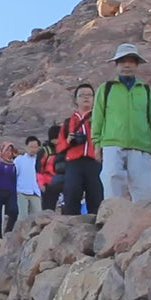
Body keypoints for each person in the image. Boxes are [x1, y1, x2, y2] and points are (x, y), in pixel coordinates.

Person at [92, 44, 151, 202]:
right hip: (112, 144)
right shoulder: (105, 89)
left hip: (140, 146)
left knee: (142, 191)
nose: (127, 65)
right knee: (112, 185)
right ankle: (111, 221)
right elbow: (98, 117)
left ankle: (139, 225)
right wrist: (96, 143)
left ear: (137, 65)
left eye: (131, 61)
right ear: (116, 65)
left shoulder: (146, 91)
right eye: (122, 61)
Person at [57, 84, 104, 214]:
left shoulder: (99, 119)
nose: (86, 98)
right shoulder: (68, 122)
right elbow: (59, 146)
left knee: (96, 196)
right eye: (82, 95)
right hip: (74, 162)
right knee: (72, 193)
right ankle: (70, 224)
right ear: (76, 100)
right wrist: (68, 142)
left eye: (89, 95)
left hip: (94, 160)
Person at [37, 125, 66, 211]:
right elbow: (38, 169)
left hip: (63, 182)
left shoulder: (64, 149)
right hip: (48, 184)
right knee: (48, 209)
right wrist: (41, 184)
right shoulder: (45, 151)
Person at [14, 136, 43, 218]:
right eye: (31, 147)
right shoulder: (19, 160)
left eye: (35, 147)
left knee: (38, 216)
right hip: (21, 192)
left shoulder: (39, 160)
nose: (33, 149)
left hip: (35, 192)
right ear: (26, 147)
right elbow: (14, 175)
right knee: (22, 217)